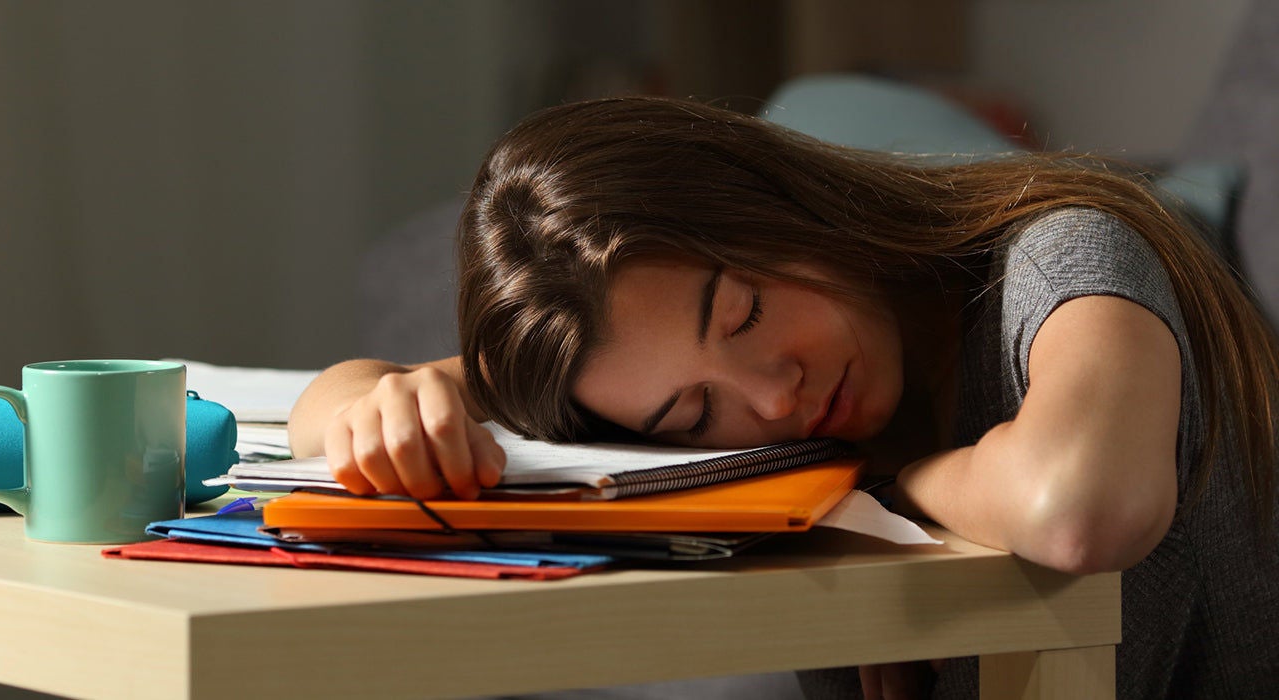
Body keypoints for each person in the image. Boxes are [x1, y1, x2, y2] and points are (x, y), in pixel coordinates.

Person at [289, 96, 1279, 698]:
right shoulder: (686, 389)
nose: (767, 403)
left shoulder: (1062, 254)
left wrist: (892, 487)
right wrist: (369, 404)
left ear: (782, 203)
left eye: (745, 312)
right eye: (687, 416)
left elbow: (1077, 510)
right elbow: (347, 404)